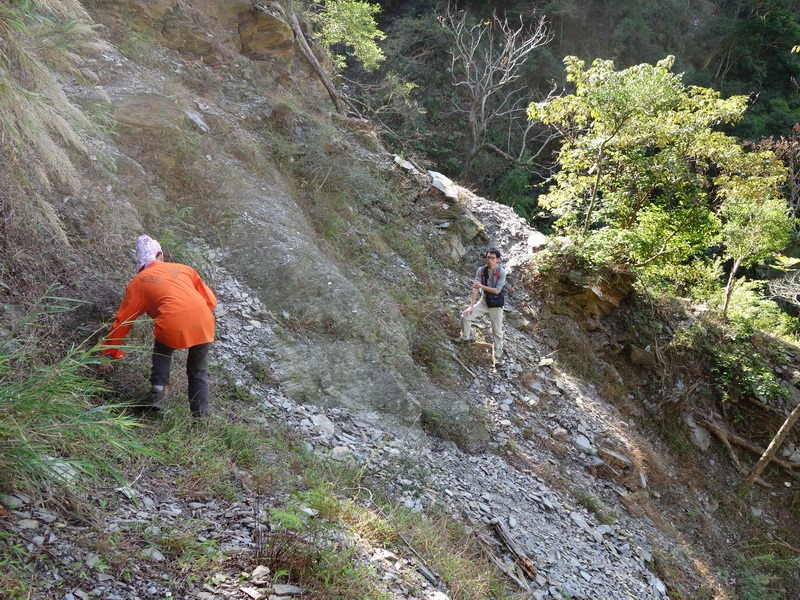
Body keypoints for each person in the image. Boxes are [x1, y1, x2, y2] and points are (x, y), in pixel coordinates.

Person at [101, 235, 217, 416]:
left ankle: (157, 393)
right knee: (198, 370)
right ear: (160, 254)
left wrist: (109, 353)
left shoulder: (139, 282)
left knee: (162, 349)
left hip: (173, 324)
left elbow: (123, 320)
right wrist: (198, 316)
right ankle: (201, 415)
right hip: (204, 322)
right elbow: (210, 300)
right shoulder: (184, 269)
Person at [458, 248, 506, 363]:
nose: (489, 260)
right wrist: (471, 306)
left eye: (492, 258)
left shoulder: (502, 272)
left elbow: (497, 290)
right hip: (484, 300)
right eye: (488, 257)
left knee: (497, 330)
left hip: (496, 304)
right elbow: (475, 288)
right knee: (466, 316)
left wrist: (481, 287)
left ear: (497, 260)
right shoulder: (481, 270)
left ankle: (498, 355)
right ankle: (465, 338)